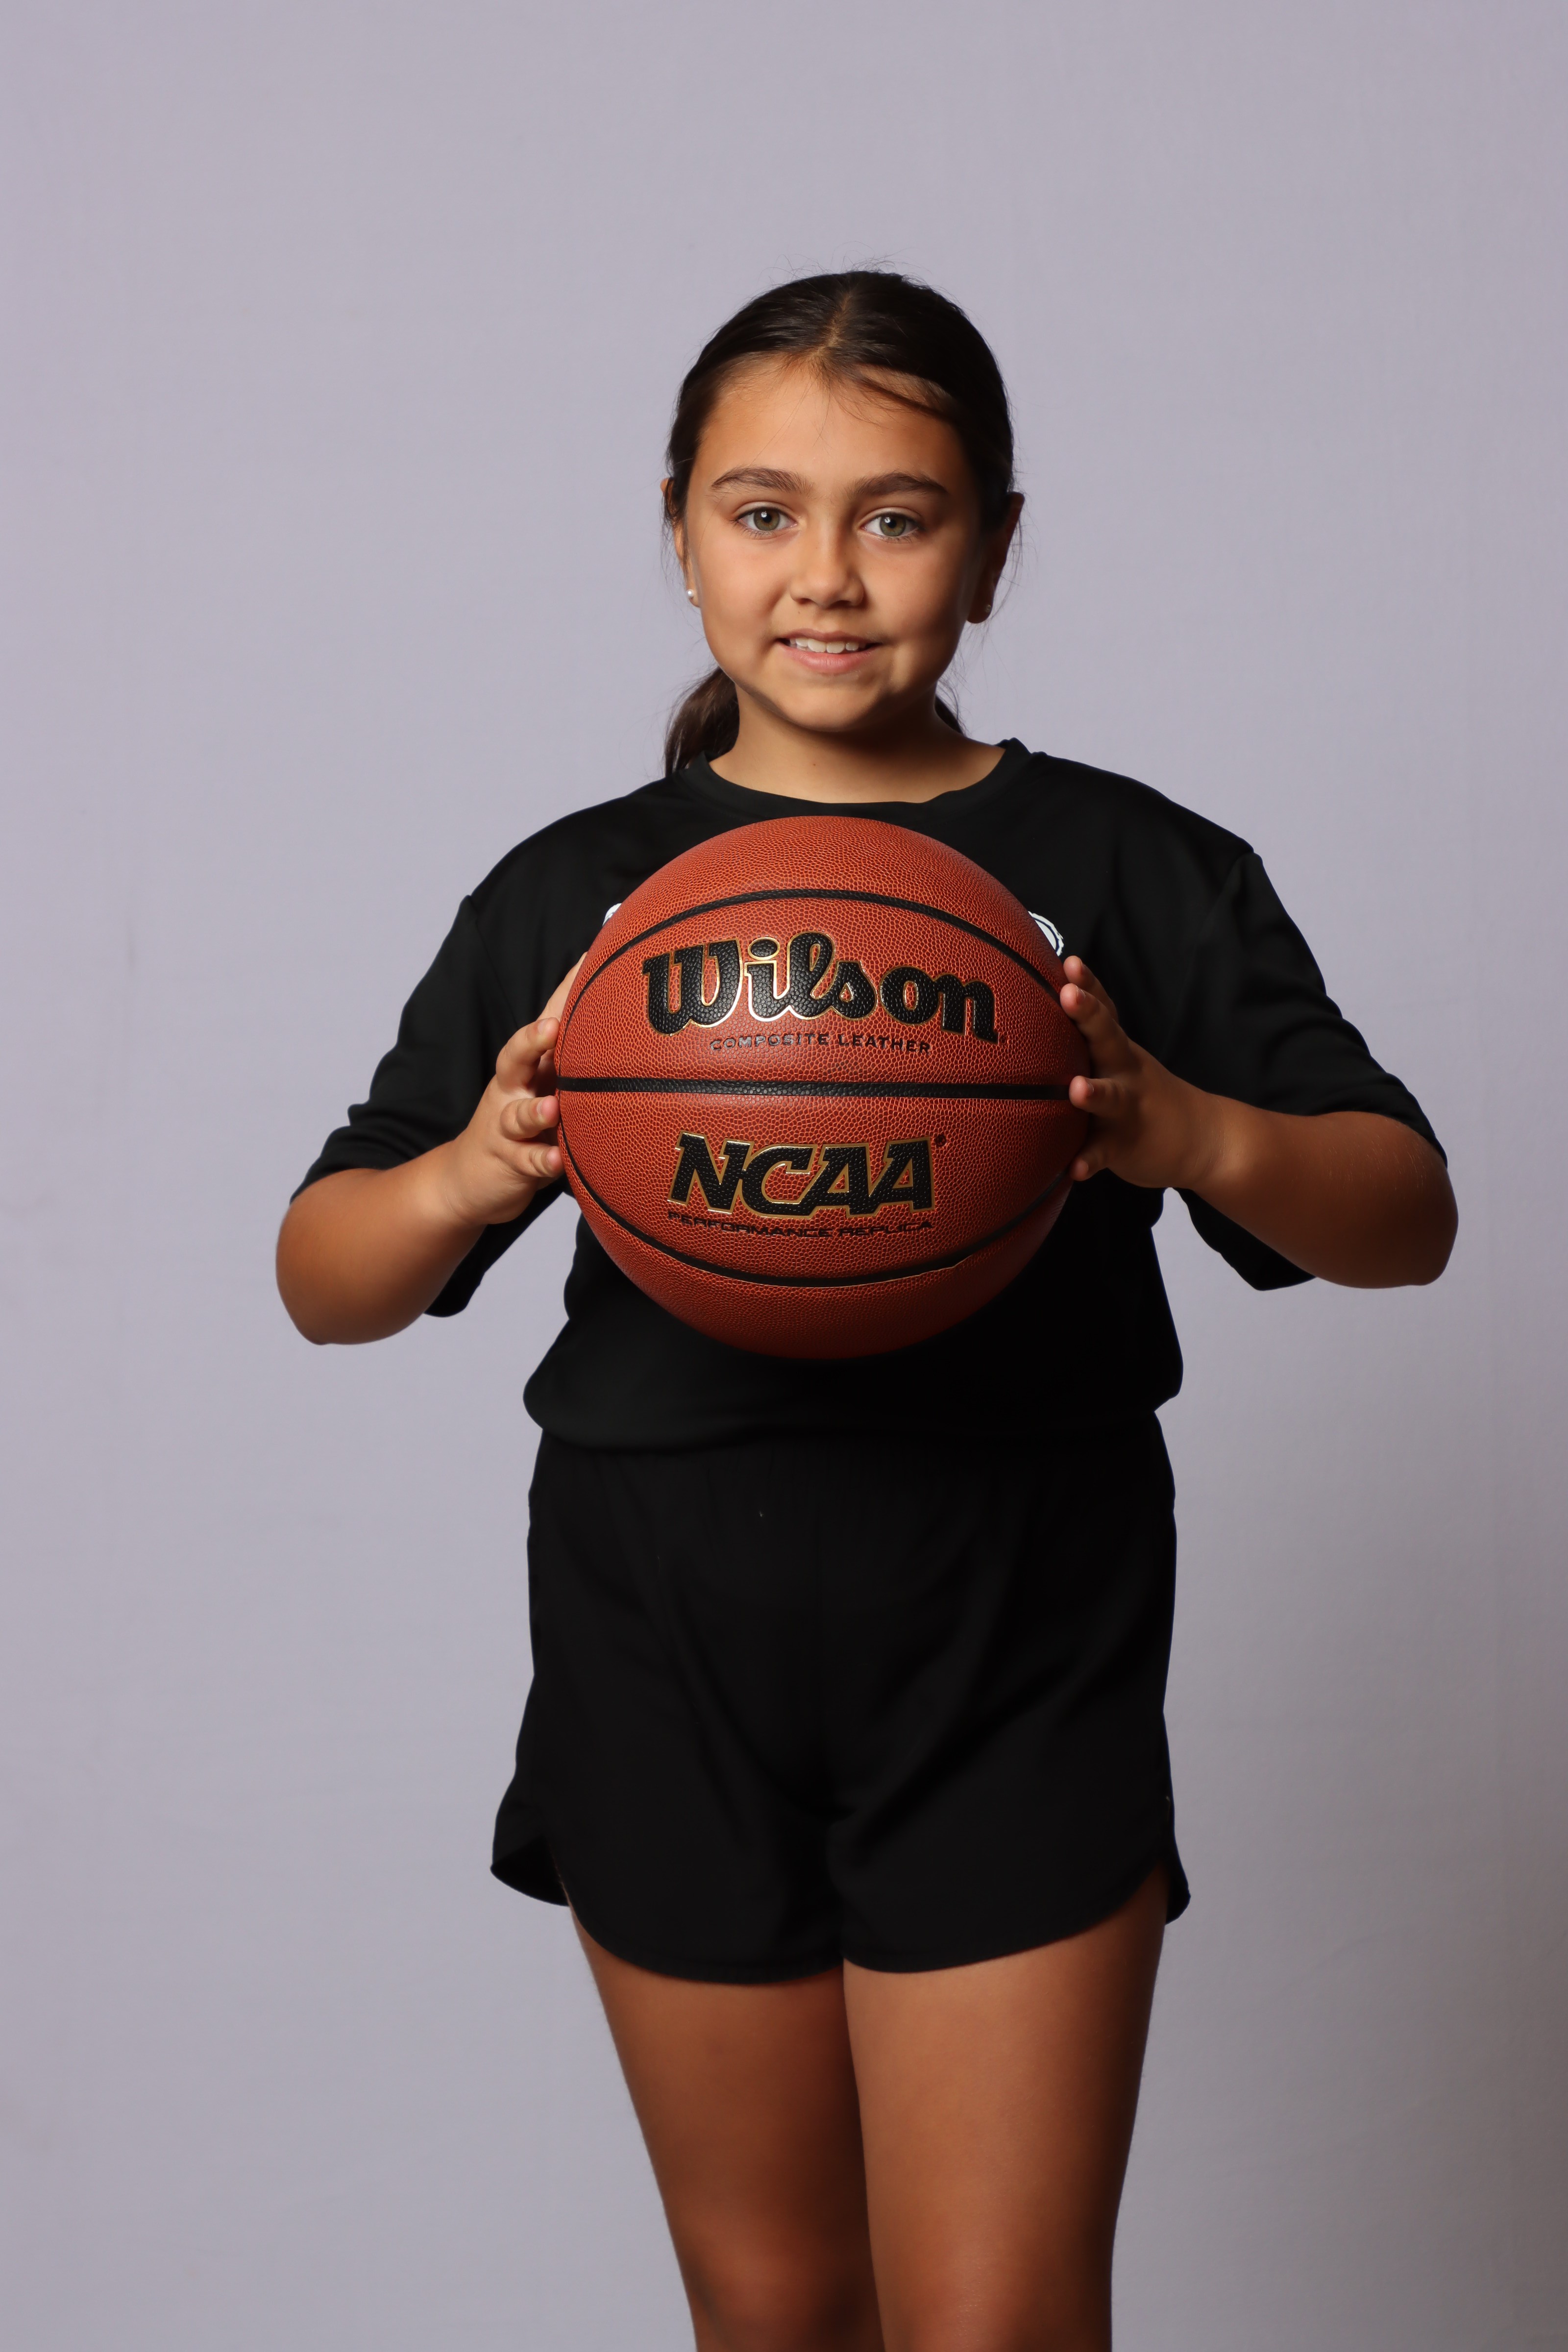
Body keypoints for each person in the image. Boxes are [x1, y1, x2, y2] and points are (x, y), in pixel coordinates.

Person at [276, 271, 1456, 2352]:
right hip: (659, 1630)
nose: (824, 574)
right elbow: (327, 1276)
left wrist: (1183, 1127)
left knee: (998, 2320)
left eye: (897, 516)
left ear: (992, 545)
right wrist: (480, 1164)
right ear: (677, 529)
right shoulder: (579, 890)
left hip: (1016, 1616)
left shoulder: (1129, 864)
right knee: (774, 2309)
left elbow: (1404, 1214)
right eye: (762, 512)